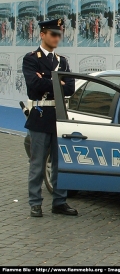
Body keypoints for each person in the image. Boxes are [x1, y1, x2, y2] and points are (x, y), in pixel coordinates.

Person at [22, 19, 77, 217]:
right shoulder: (31, 59)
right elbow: (34, 84)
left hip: (59, 116)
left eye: (59, 34)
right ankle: (35, 203)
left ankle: (59, 201)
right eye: (53, 34)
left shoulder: (62, 61)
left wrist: (48, 80)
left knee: (60, 162)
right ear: (42, 34)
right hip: (41, 115)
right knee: (37, 164)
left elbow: (70, 87)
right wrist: (57, 82)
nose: (56, 38)